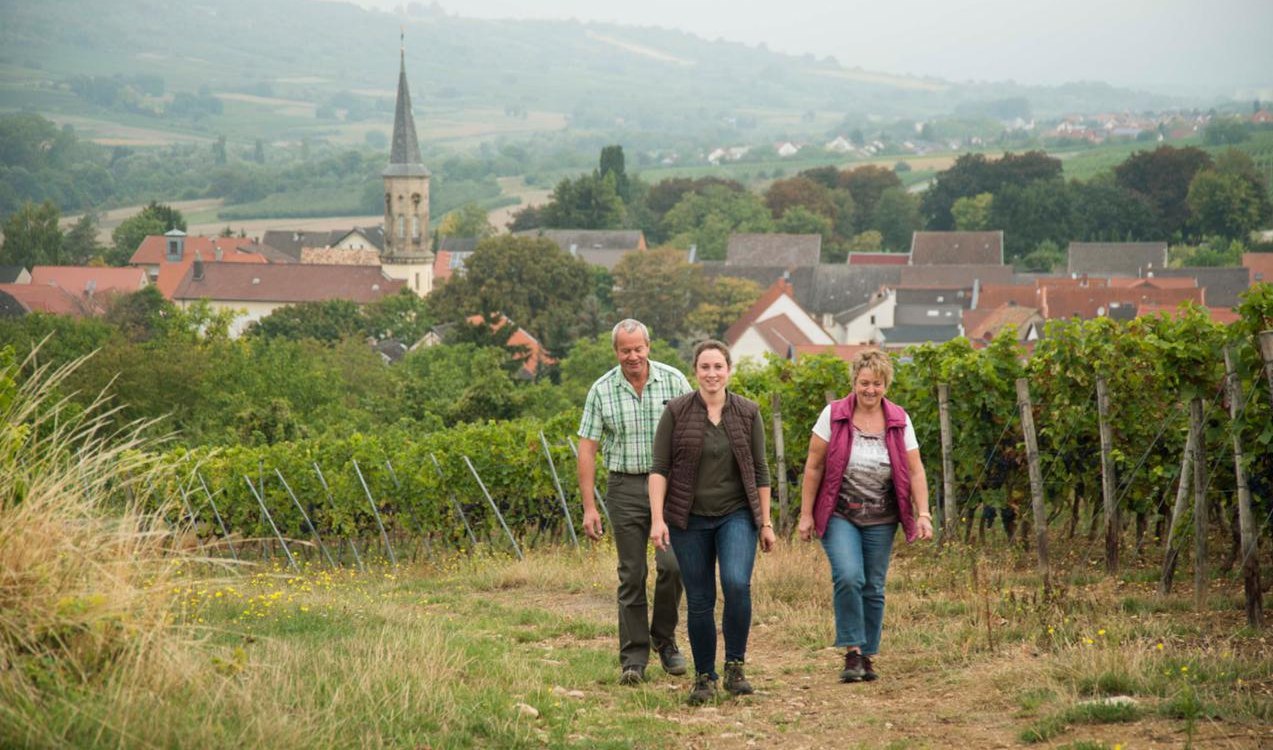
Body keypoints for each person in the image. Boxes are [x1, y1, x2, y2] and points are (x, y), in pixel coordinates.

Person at [649, 340, 776, 705]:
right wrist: (658, 519)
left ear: (729, 370)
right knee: (700, 598)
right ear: (695, 371)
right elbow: (659, 469)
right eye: (705, 367)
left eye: (718, 366)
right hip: (688, 519)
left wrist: (765, 523)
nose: (712, 373)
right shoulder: (676, 411)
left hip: (736, 515)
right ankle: (704, 676)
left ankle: (735, 666)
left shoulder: (748, 412)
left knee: (736, 583)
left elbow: (761, 470)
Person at [798, 349, 932, 683]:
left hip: (882, 516)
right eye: (864, 383)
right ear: (854, 382)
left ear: (886, 385)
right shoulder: (834, 415)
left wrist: (924, 513)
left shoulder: (899, 419)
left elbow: (915, 470)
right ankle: (852, 651)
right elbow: (814, 466)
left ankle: (868, 655)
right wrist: (805, 514)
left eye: (877, 384)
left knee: (873, 586)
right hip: (839, 512)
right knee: (848, 576)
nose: (870, 390)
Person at [578, 319, 692, 685]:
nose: (633, 356)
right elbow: (587, 449)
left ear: (648, 347)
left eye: (638, 348)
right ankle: (633, 658)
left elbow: (696, 432)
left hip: (670, 488)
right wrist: (589, 507)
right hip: (624, 488)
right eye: (625, 350)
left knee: (673, 566)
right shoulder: (601, 390)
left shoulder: (675, 381)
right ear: (616, 352)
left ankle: (665, 639)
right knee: (632, 574)